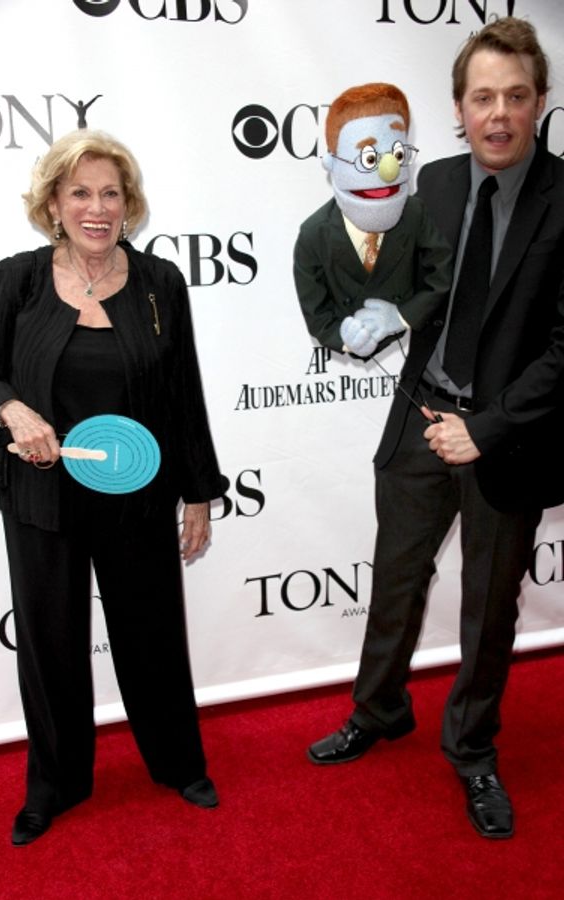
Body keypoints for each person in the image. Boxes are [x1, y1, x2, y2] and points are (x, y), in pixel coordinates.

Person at [308, 17, 564, 840]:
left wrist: (483, 427)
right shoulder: (435, 187)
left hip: (507, 440)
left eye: (515, 97)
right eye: (482, 97)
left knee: (488, 612)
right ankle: (379, 709)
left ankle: (473, 750)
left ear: (541, 103)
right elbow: (406, 290)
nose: (498, 114)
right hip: (421, 420)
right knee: (394, 582)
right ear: (458, 108)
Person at [0, 130, 224, 845]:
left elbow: (181, 397)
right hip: (42, 493)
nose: (97, 207)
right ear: (54, 202)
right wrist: (11, 409)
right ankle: (54, 784)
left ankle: (177, 763)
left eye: (111, 192)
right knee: (50, 644)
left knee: (152, 634)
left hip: (134, 490)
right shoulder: (15, 279)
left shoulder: (159, 284)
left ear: (129, 204)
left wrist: (197, 491)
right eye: (80, 192)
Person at [294, 83, 452, 360]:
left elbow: (440, 275)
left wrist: (402, 316)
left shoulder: (415, 214)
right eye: (368, 158)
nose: (388, 169)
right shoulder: (313, 234)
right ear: (332, 163)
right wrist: (345, 339)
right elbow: (316, 312)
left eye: (398, 154)